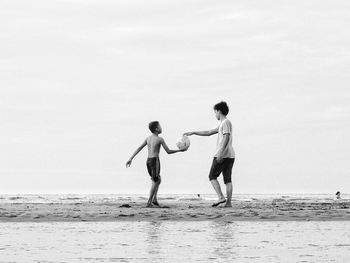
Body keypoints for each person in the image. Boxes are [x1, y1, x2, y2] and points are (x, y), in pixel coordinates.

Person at [184, 101, 235, 207]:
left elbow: (226, 137)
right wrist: (193, 132)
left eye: (215, 112)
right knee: (227, 179)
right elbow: (208, 132)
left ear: (219, 111)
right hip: (230, 155)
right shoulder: (223, 123)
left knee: (212, 176)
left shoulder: (225, 122)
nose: (214, 114)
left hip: (222, 154)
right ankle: (228, 203)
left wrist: (220, 152)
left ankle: (221, 197)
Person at [126, 121, 187, 207]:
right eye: (160, 126)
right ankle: (149, 202)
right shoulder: (160, 139)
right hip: (155, 161)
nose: (161, 127)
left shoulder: (148, 138)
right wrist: (180, 150)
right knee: (155, 181)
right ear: (156, 129)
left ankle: (154, 199)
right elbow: (168, 151)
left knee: (157, 179)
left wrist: (131, 158)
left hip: (148, 161)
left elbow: (139, 148)